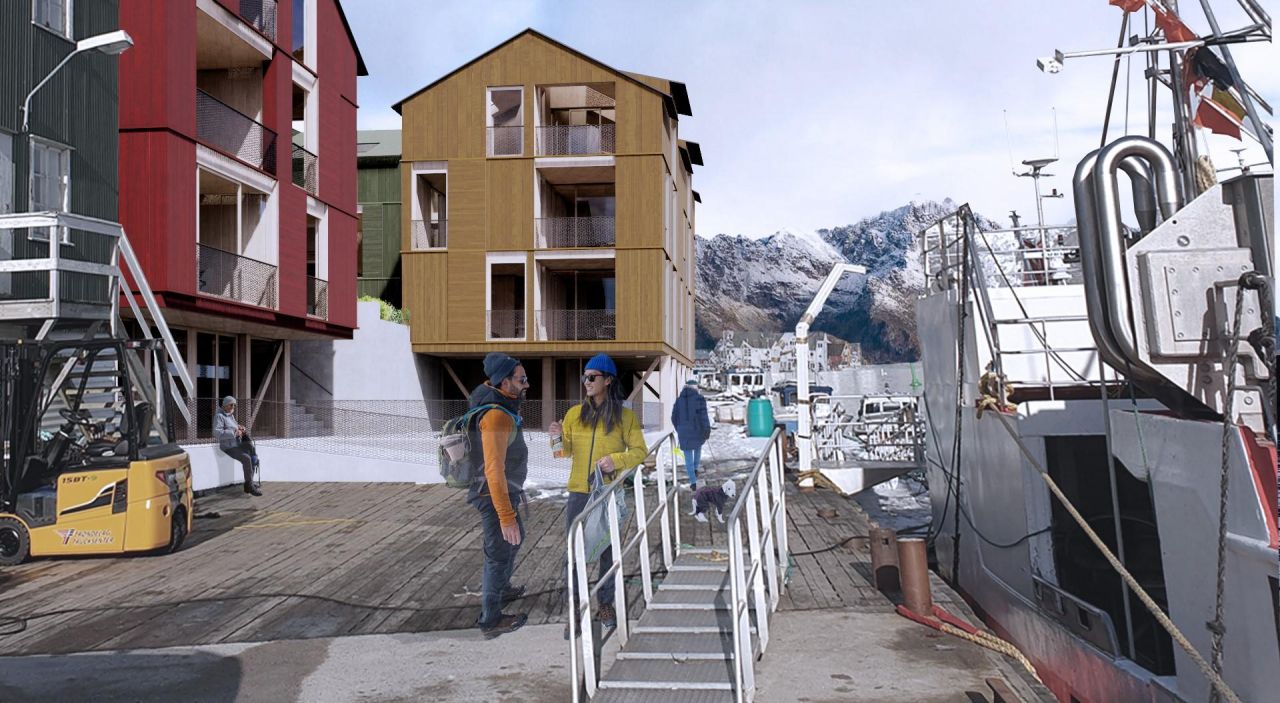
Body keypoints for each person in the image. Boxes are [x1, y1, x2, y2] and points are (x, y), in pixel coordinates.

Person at [549, 353, 647, 635]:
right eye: (585, 377)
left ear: (608, 381)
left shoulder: (625, 417)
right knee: (574, 552)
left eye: (592, 377)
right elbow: (562, 453)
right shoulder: (574, 415)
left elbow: (640, 452)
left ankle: (605, 604)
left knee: (607, 550)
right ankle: (575, 610)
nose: (587, 382)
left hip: (608, 494)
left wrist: (615, 461)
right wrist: (556, 437)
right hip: (579, 493)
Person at [469, 352, 532, 639]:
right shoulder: (495, 416)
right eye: (522, 379)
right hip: (491, 494)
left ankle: (502, 589)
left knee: (515, 540)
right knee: (497, 553)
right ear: (504, 382)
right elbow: (494, 471)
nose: (526, 384)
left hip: (503, 491)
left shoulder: (502, 406)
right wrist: (506, 516)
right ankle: (491, 619)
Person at [214, 396, 261, 496]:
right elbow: (217, 433)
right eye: (231, 405)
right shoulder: (219, 416)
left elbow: (233, 426)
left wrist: (240, 428)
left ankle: (249, 484)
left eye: (234, 405)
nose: (233, 407)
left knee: (253, 456)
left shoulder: (230, 415)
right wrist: (234, 433)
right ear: (225, 405)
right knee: (246, 458)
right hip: (228, 446)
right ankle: (249, 486)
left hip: (237, 443)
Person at [671, 378, 712, 490]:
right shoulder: (699, 399)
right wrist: (707, 429)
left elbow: (673, 417)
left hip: (683, 432)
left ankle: (693, 482)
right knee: (698, 449)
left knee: (688, 456)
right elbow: (704, 417)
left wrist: (679, 428)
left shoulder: (679, 400)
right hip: (697, 430)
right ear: (695, 388)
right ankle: (695, 469)